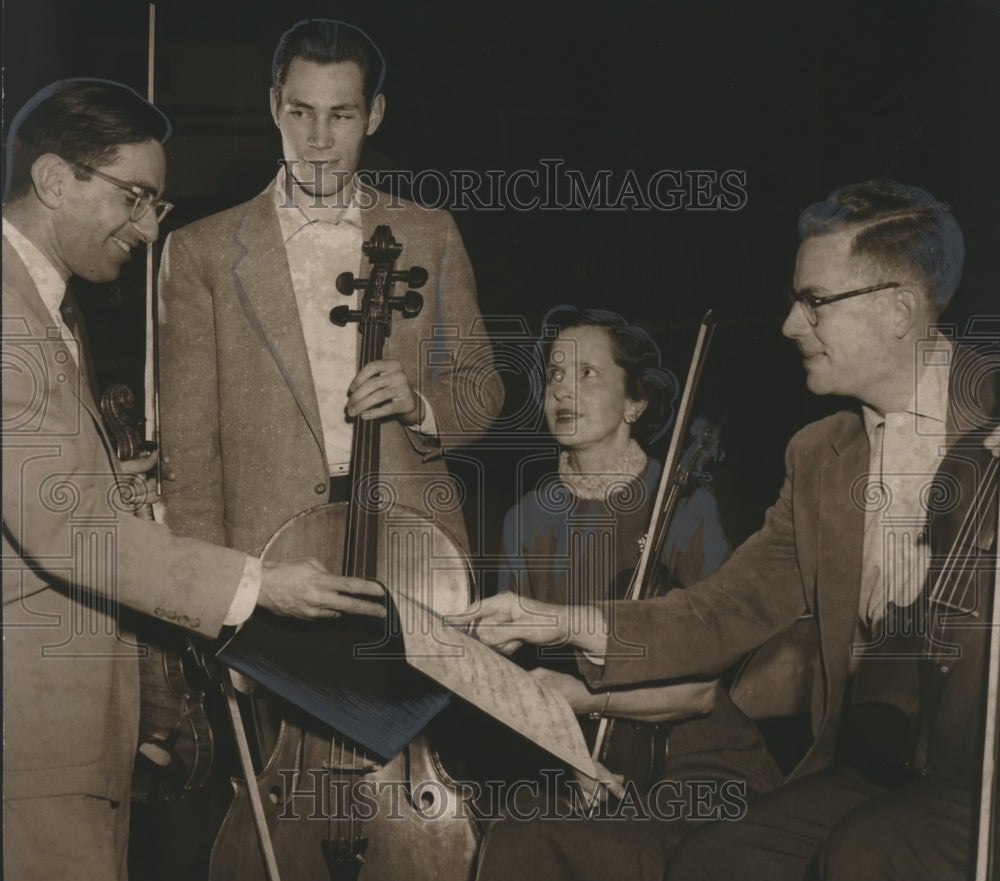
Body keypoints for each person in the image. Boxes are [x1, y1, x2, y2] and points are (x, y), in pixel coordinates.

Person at [455, 180, 1000, 880]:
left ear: (898, 310)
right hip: (873, 767)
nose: (790, 326)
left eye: (815, 302)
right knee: (713, 862)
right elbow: (726, 608)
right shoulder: (819, 457)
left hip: (977, 776)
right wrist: (561, 621)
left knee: (866, 856)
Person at [1, 78, 387, 881]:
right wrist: (260, 584)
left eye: (157, 206)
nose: (147, 227)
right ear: (52, 180)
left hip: (64, 726)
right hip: (30, 731)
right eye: (135, 198)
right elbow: (66, 529)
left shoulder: (48, 307)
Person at [157, 18, 503, 563]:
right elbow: (189, 454)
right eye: (301, 112)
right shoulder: (201, 251)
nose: (318, 140)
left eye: (341, 115)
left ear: (375, 116)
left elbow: (481, 391)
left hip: (411, 544)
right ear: (275, 106)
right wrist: (210, 587)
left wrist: (419, 404)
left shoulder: (428, 233)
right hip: (267, 551)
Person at [473, 306, 782, 881]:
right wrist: (571, 758)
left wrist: (583, 700)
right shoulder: (526, 517)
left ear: (634, 403)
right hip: (589, 762)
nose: (564, 390)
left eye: (588, 373)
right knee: (502, 836)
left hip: (696, 763)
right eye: (554, 375)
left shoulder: (685, 505)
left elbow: (699, 692)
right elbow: (515, 684)